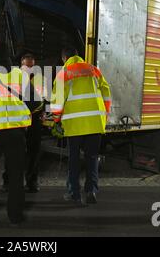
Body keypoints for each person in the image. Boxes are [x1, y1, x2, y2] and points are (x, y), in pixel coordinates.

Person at [0, 59, 42, 227]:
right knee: (16, 176)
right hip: (15, 133)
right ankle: (15, 217)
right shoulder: (21, 76)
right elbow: (37, 102)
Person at [51, 46, 111, 205]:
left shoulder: (63, 74)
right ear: (79, 57)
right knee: (92, 158)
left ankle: (74, 193)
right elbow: (106, 92)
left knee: (74, 160)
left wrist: (56, 120)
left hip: (74, 124)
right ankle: (91, 191)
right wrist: (104, 114)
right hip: (95, 123)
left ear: (64, 58)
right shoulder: (93, 70)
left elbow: (57, 103)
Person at [2, 53, 44, 193]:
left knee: (34, 152)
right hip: (18, 118)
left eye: (32, 66)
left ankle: (32, 182)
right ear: (21, 64)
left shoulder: (40, 79)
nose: (29, 69)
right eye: (27, 66)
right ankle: (8, 181)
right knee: (13, 151)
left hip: (34, 119)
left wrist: (43, 112)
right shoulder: (15, 78)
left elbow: (45, 98)